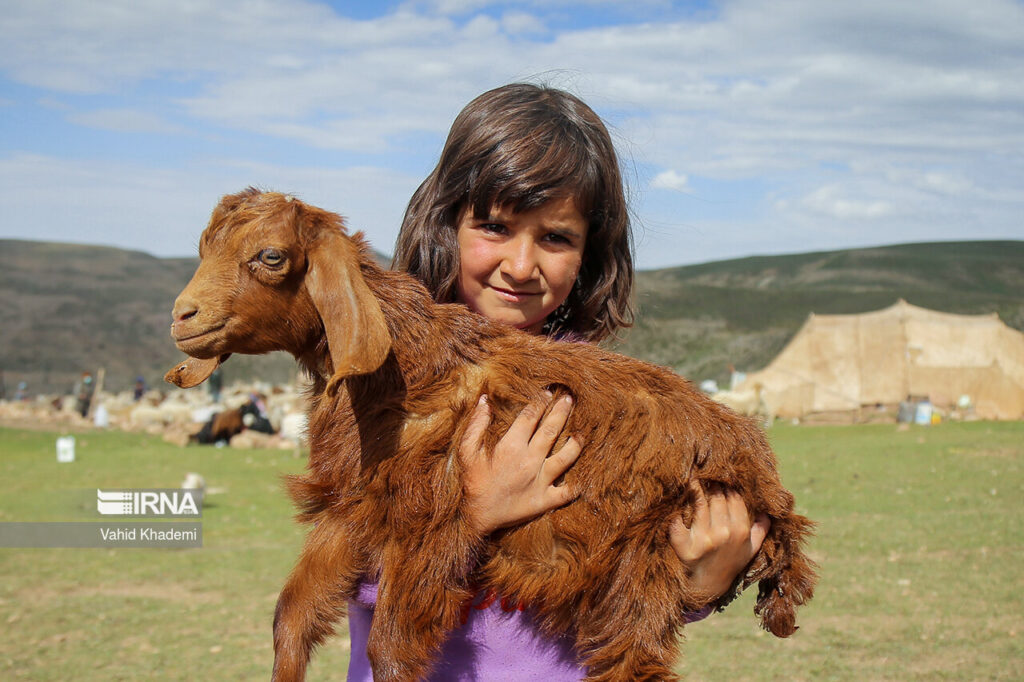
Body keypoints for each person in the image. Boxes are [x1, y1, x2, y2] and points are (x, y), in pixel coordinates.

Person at [347, 83, 770, 680]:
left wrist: (702, 580)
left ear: (589, 254)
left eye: (555, 237)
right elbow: (347, 567)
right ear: (443, 223)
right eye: (494, 226)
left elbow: (626, 590)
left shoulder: (607, 407)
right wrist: (471, 515)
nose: (521, 267)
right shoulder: (387, 384)